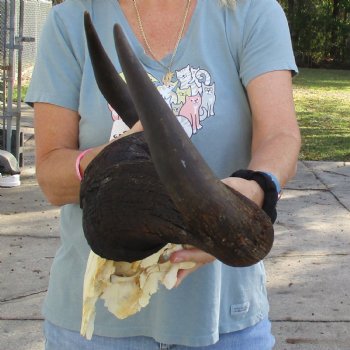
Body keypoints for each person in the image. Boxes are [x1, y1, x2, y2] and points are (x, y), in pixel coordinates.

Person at [25, 0, 301, 349]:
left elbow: (280, 136)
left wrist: (253, 190)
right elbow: (50, 174)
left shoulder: (251, 12)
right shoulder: (69, 21)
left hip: (224, 322)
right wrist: (110, 159)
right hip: (95, 330)